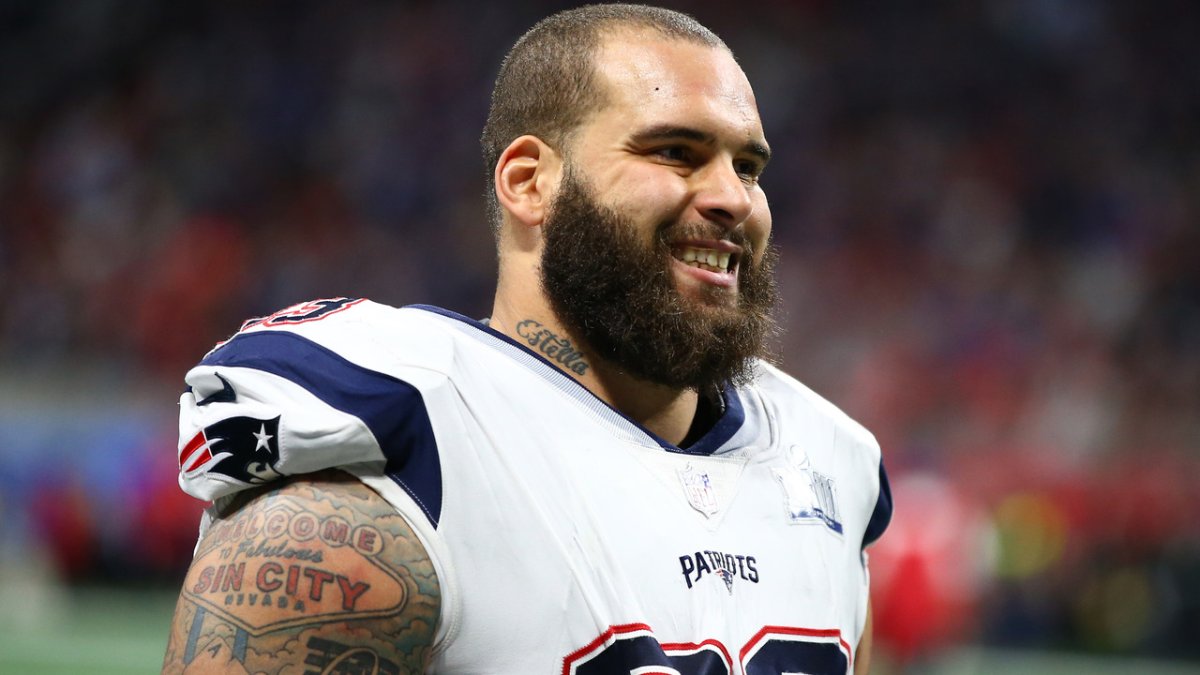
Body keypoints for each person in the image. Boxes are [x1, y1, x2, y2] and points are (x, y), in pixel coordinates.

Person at [161, 4, 891, 674]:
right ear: (530, 181)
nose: (734, 197)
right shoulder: (405, 448)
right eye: (675, 151)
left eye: (748, 166)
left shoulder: (829, 462)